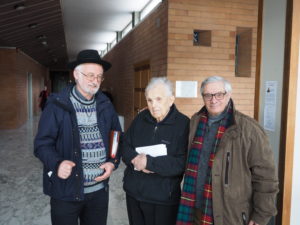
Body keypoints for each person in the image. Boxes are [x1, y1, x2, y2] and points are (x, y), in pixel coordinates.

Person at [34, 49, 122, 225]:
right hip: (66, 191)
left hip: (98, 193)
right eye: (90, 75)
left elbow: (116, 136)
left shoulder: (105, 104)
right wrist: (57, 163)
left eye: (99, 76)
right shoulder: (57, 104)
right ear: (76, 74)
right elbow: (41, 144)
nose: (95, 80)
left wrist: (113, 162)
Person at [176, 76, 279, 225]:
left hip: (230, 215)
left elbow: (266, 177)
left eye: (219, 94)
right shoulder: (195, 122)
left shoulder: (249, 129)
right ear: (203, 97)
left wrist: (261, 215)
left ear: (229, 94)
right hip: (195, 209)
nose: (213, 100)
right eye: (208, 95)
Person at [122, 77, 190, 225]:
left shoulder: (183, 124)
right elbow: (125, 146)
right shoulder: (141, 118)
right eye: (150, 100)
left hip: (163, 199)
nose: (154, 105)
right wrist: (135, 159)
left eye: (159, 99)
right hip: (134, 194)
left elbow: (181, 163)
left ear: (171, 99)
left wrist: (149, 163)